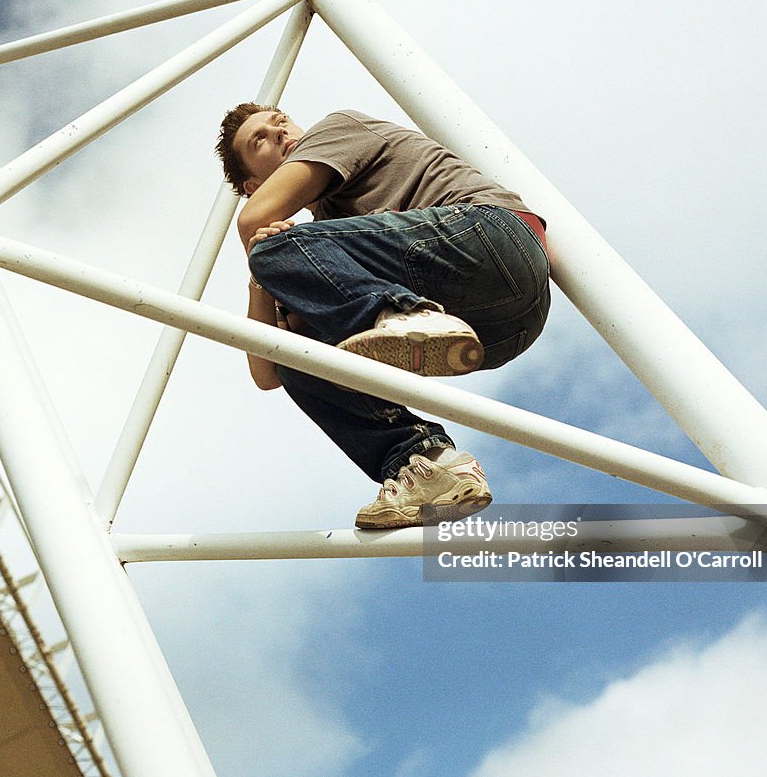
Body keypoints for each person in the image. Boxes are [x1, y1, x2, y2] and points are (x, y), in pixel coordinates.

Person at [216, 104, 551, 530]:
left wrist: (266, 251)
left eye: (280, 120)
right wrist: (262, 280)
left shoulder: (336, 129)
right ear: (253, 182)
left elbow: (254, 217)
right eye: (259, 139)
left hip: (486, 238)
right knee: (301, 356)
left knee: (279, 251)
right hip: (505, 329)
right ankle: (429, 464)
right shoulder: (328, 257)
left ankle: (402, 315)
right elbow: (269, 371)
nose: (279, 132)